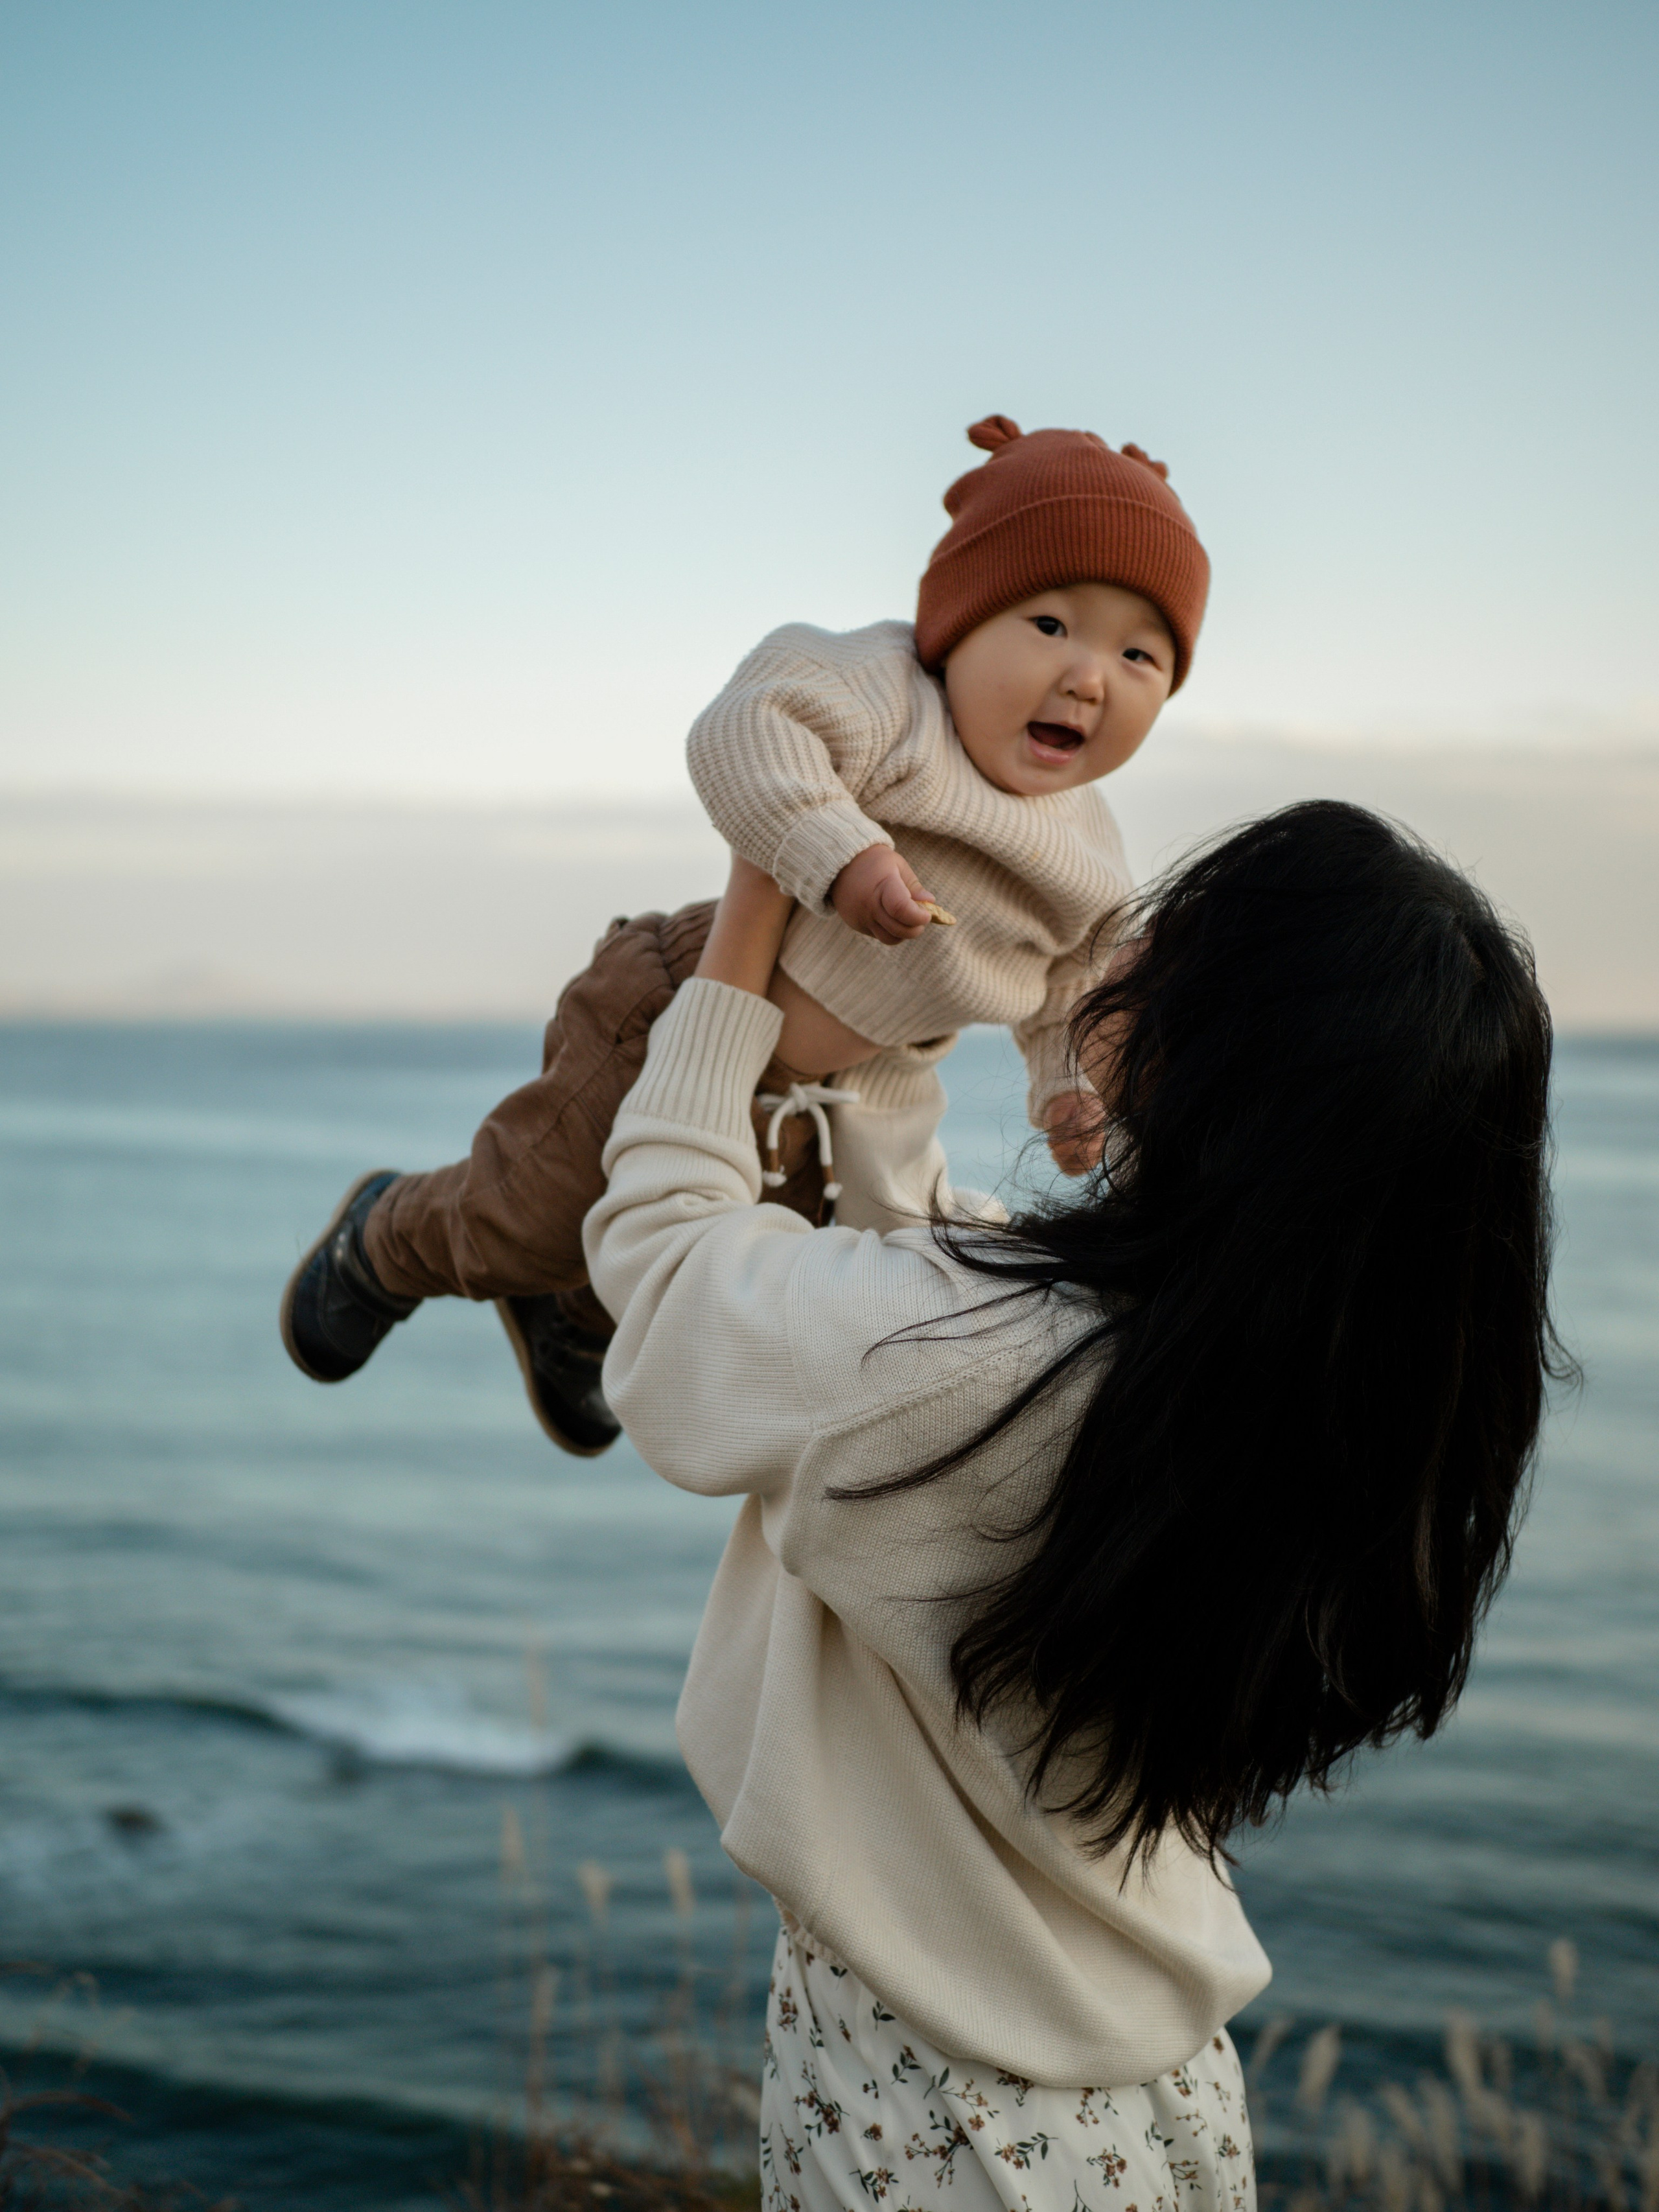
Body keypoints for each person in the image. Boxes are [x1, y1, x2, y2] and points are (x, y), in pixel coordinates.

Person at [581, 801, 1565, 2212]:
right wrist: (895, 1029)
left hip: (940, 2130)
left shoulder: (976, 1368)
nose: (1135, 952)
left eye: (1177, 953)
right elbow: (938, 1269)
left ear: (1220, 1053)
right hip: (1151, 2105)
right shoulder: (1310, 1390)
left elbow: (667, 1277)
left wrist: (751, 912)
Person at [280, 414, 1209, 1454]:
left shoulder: (1088, 850)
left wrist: (1066, 1089)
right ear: (957, 623)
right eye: (1049, 625)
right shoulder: (892, 695)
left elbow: (1070, 981)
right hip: (673, 1005)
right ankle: (387, 1239)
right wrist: (841, 854)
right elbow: (743, 730)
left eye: (1139, 654)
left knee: (737, 1262)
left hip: (827, 1101)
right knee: (527, 1214)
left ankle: (575, 1316)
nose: (1090, 676)